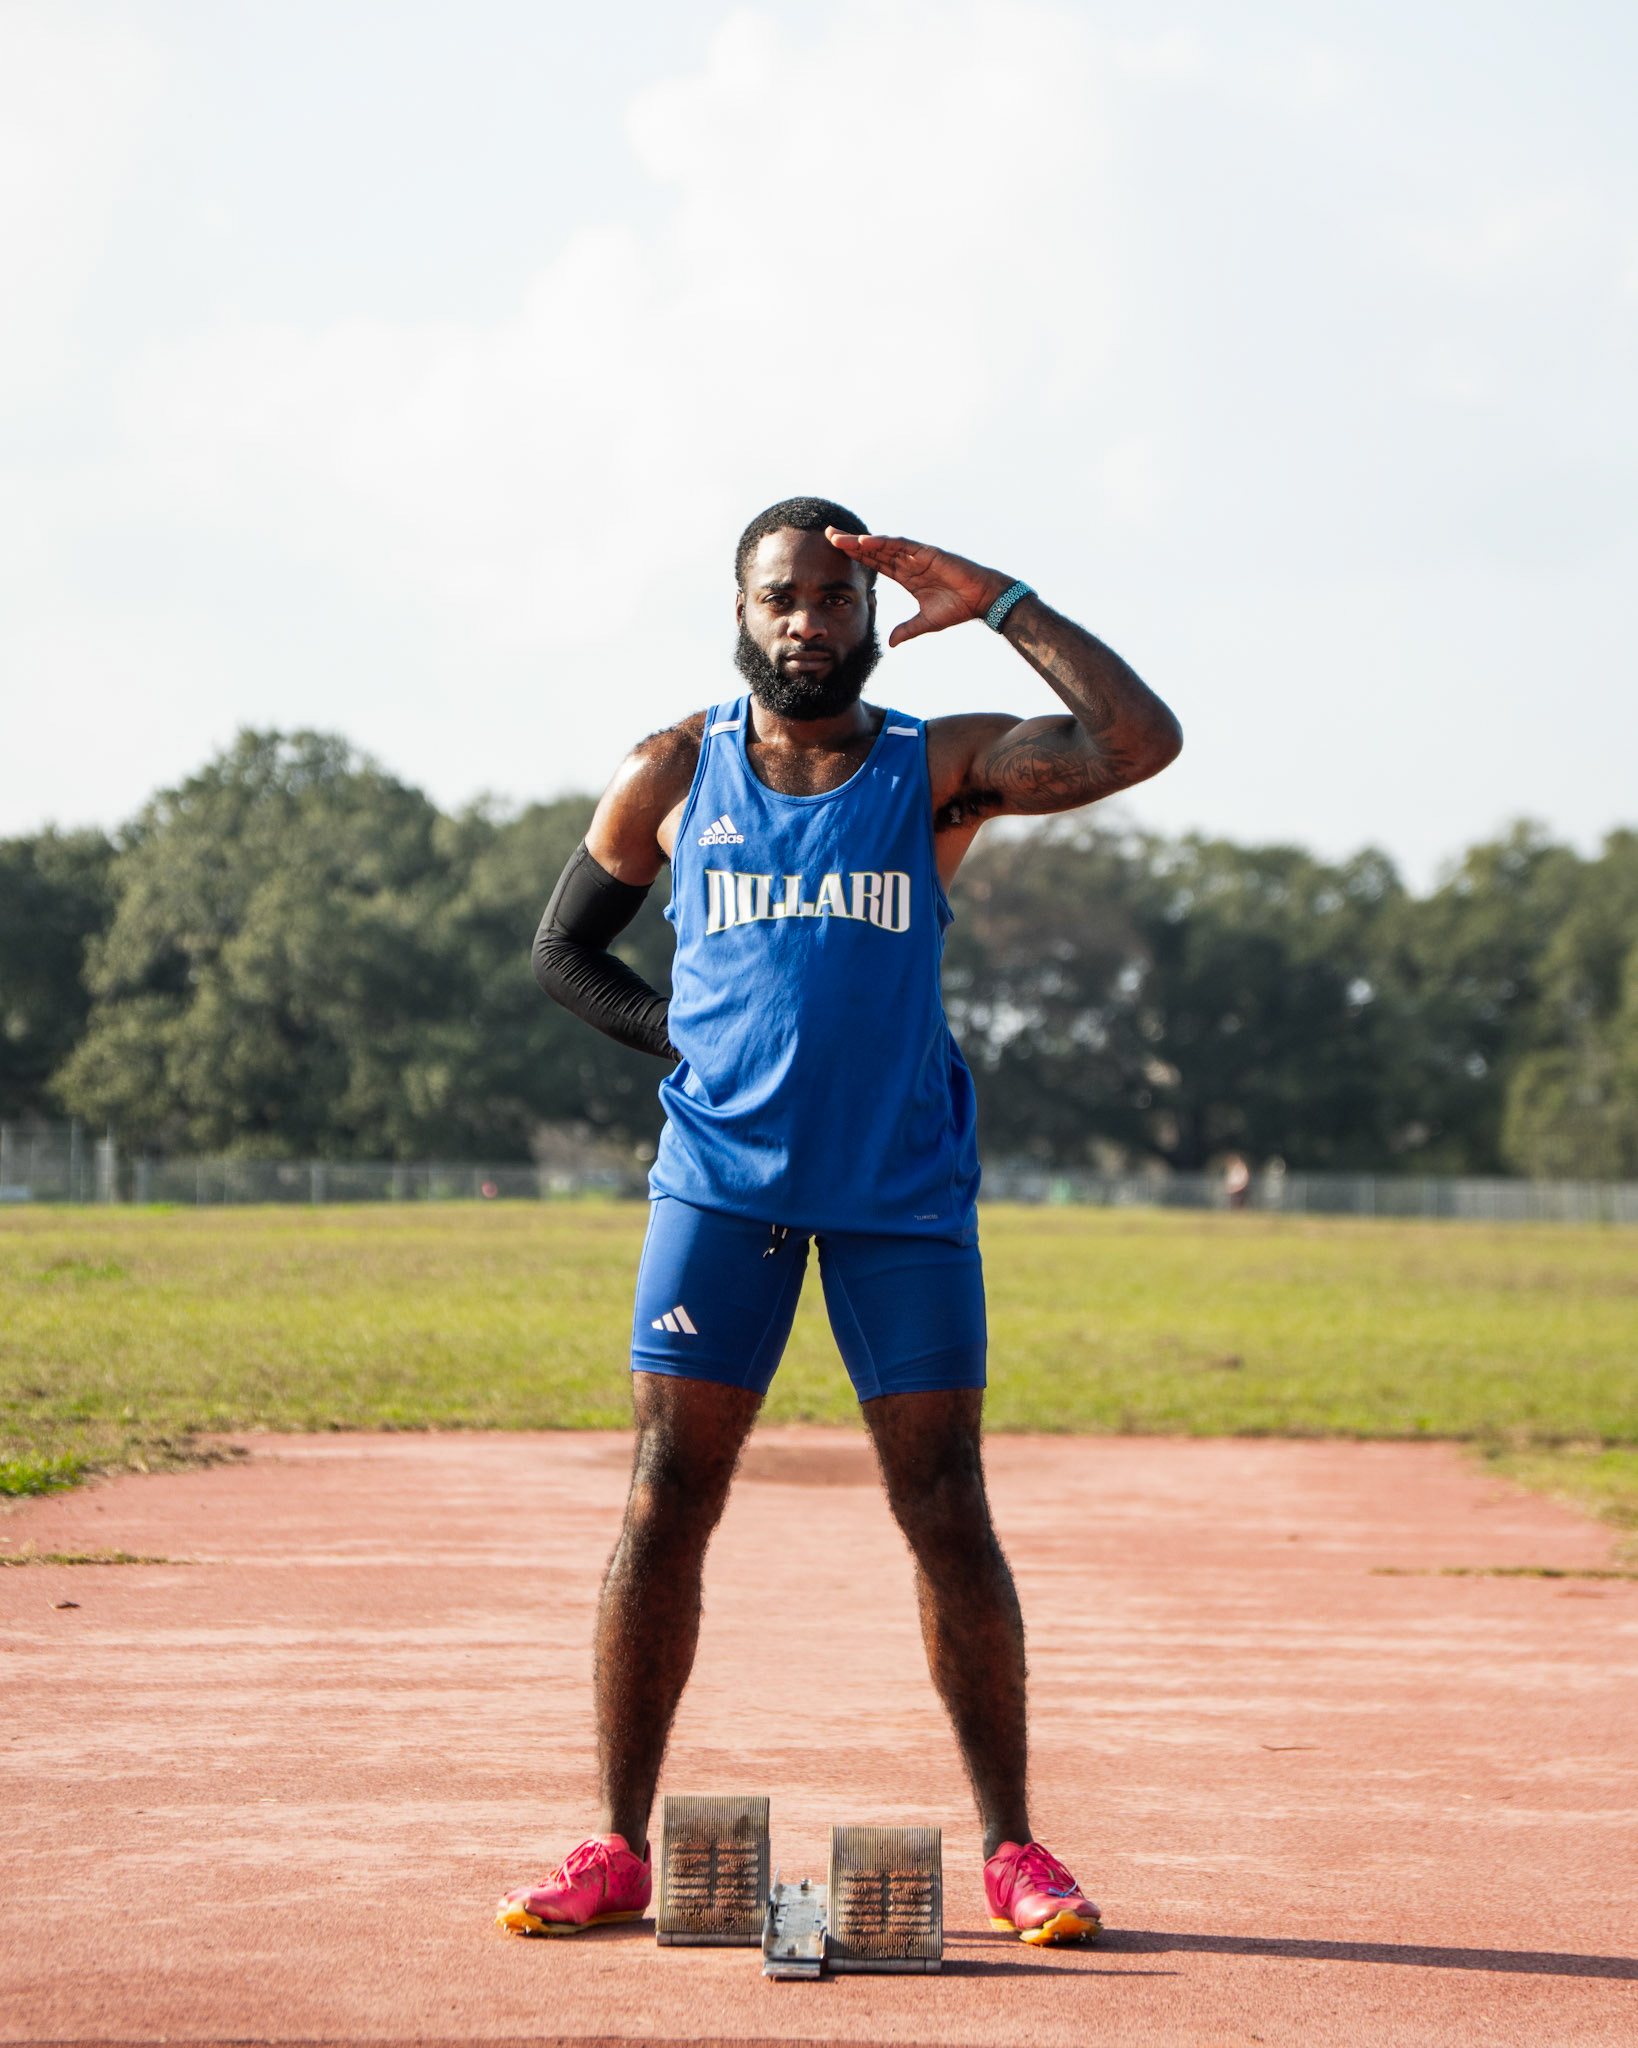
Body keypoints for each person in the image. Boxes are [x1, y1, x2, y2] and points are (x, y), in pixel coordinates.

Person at [498, 497, 1182, 1946]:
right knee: (663, 1499)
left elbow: (1137, 742)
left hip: (897, 1192)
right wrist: (681, 1044)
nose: (805, 619)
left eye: (829, 595)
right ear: (738, 615)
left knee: (945, 1511)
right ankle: (616, 1846)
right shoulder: (674, 769)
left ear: (870, 612)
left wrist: (1001, 600)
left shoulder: (933, 768)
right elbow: (565, 951)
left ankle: (1011, 1852)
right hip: (719, 1188)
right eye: (777, 597)